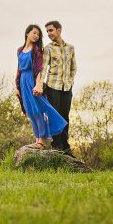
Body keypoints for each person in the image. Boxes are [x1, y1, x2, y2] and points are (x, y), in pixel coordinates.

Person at [15, 24, 67, 149]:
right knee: (30, 111)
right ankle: (37, 139)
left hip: (32, 81)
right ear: (27, 33)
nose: (36, 36)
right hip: (23, 82)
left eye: (38, 34)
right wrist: (17, 87)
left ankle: (41, 141)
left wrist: (38, 85)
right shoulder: (20, 50)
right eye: (34, 33)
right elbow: (18, 69)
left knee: (38, 110)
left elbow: (38, 69)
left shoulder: (36, 51)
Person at [42, 20, 77, 157]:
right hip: (52, 86)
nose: (49, 34)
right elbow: (44, 68)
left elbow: (74, 67)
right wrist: (41, 85)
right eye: (47, 31)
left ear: (59, 30)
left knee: (65, 116)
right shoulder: (48, 48)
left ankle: (66, 146)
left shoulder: (71, 48)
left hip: (67, 87)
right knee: (54, 116)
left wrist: (70, 81)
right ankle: (56, 145)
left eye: (51, 30)